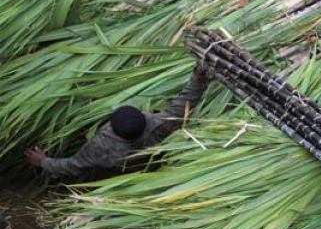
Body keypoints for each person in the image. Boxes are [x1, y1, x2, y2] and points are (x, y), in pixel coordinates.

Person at [25, 66, 210, 181]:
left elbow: (73, 166)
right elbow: (184, 104)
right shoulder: (160, 126)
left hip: (119, 176)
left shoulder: (102, 146)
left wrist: (43, 162)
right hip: (150, 169)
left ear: (111, 127)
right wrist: (198, 79)